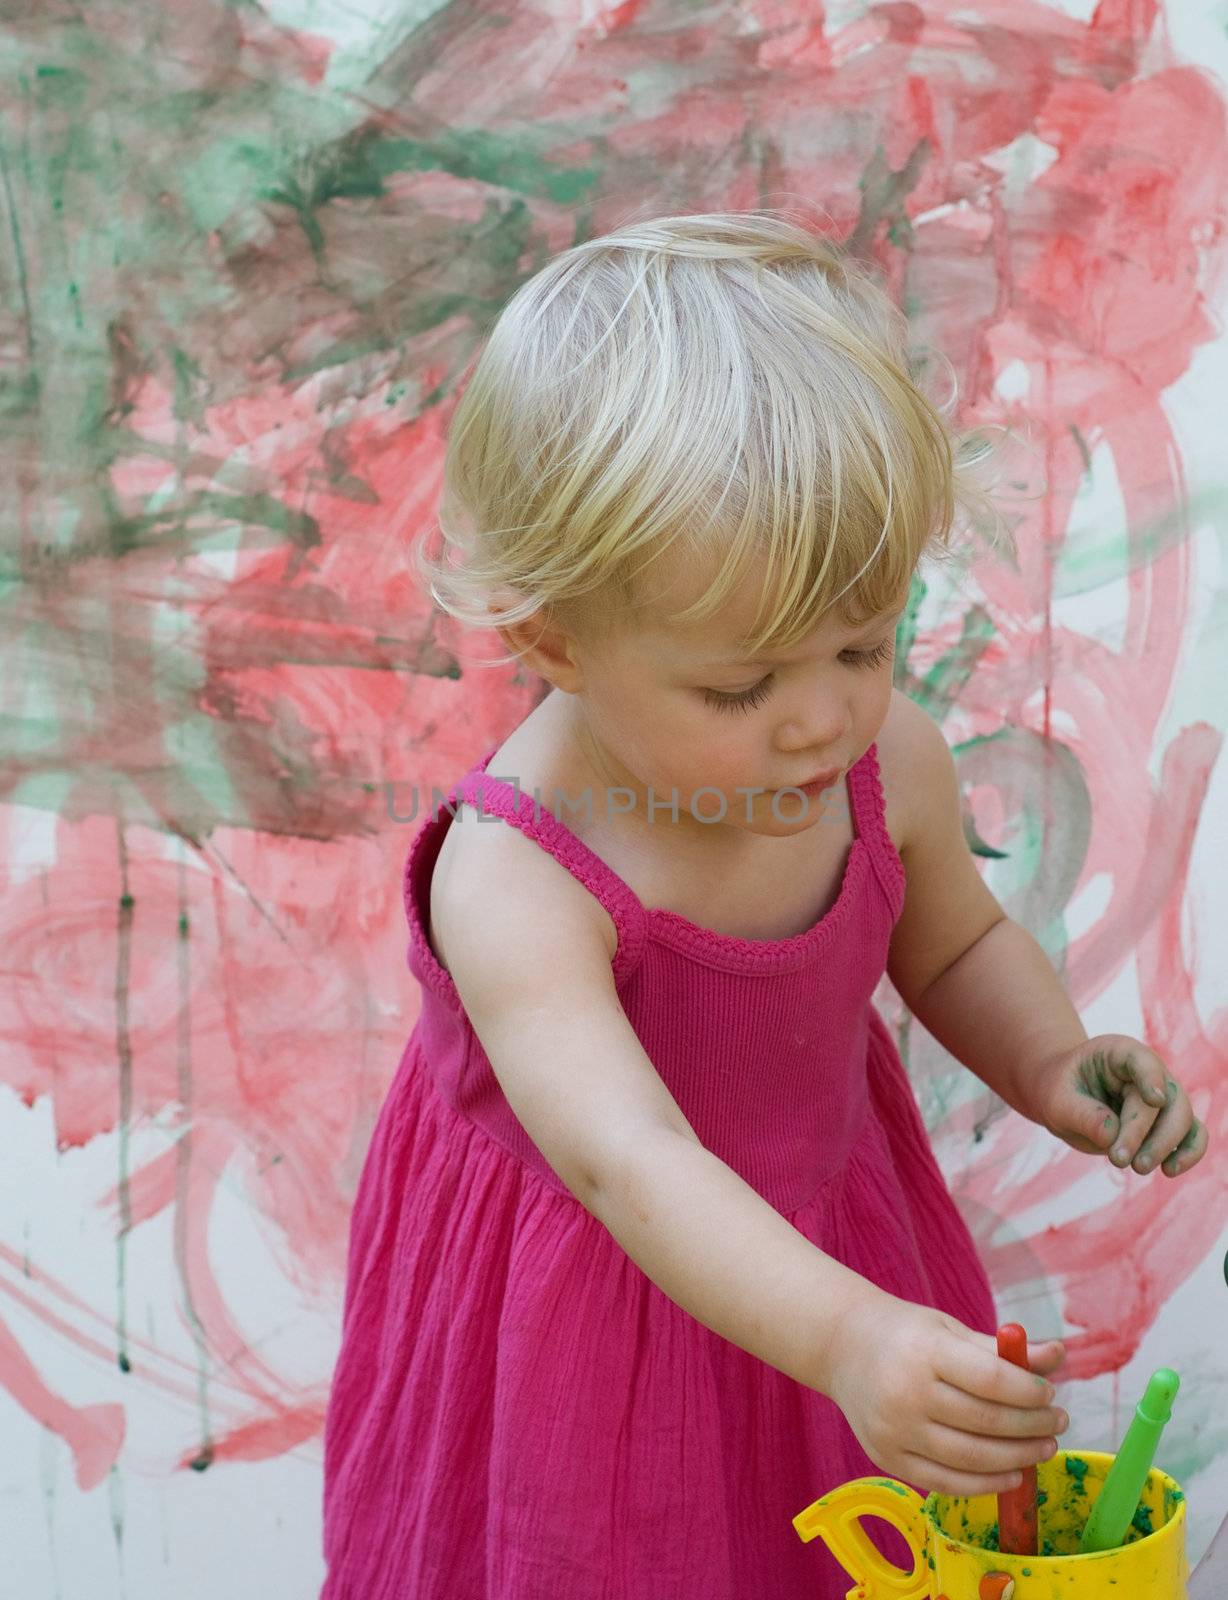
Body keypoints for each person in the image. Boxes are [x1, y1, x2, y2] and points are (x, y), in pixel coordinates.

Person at [319, 211, 1208, 1599]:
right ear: (553, 636)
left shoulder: (879, 758)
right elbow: (630, 1160)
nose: (821, 720)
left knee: (844, 1557)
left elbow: (955, 938)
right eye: (742, 686)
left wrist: (1047, 1058)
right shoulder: (522, 874)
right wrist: (848, 1339)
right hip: (594, 1307)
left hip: (832, 1241)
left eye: (864, 643)